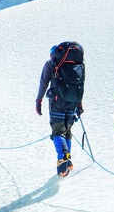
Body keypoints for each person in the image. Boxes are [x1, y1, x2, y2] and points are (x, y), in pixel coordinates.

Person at [36, 41, 85, 177]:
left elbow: (43, 82)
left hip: (57, 101)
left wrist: (39, 100)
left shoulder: (51, 64)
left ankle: (63, 160)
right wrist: (79, 104)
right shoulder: (77, 66)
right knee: (67, 132)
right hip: (73, 101)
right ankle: (67, 161)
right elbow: (81, 84)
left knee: (58, 131)